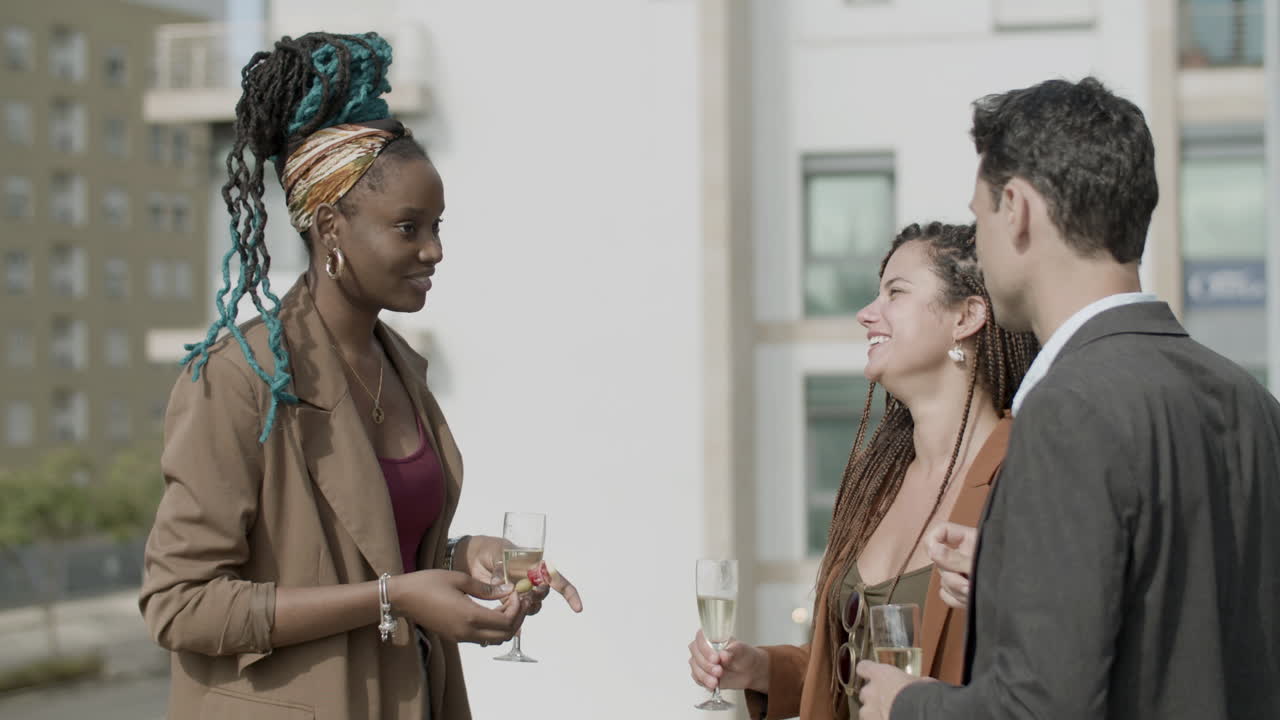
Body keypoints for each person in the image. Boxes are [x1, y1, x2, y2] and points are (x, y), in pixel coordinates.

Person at [139, 32, 581, 720]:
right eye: (408, 227)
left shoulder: (402, 366)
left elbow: (377, 545)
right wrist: (392, 597)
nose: (434, 250)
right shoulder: (239, 379)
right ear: (329, 226)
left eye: (437, 226)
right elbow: (180, 605)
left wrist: (463, 556)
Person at [856, 76, 1280, 720]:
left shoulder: (1066, 408)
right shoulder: (1252, 401)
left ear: (1017, 209)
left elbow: (1040, 708)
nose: (982, 238)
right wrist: (1007, 579)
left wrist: (907, 704)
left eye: (980, 215)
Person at [688, 222, 1037, 719]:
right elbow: (848, 666)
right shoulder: (877, 482)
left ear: (966, 315)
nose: (866, 314)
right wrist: (762, 668)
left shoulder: (1027, 474)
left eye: (896, 293)